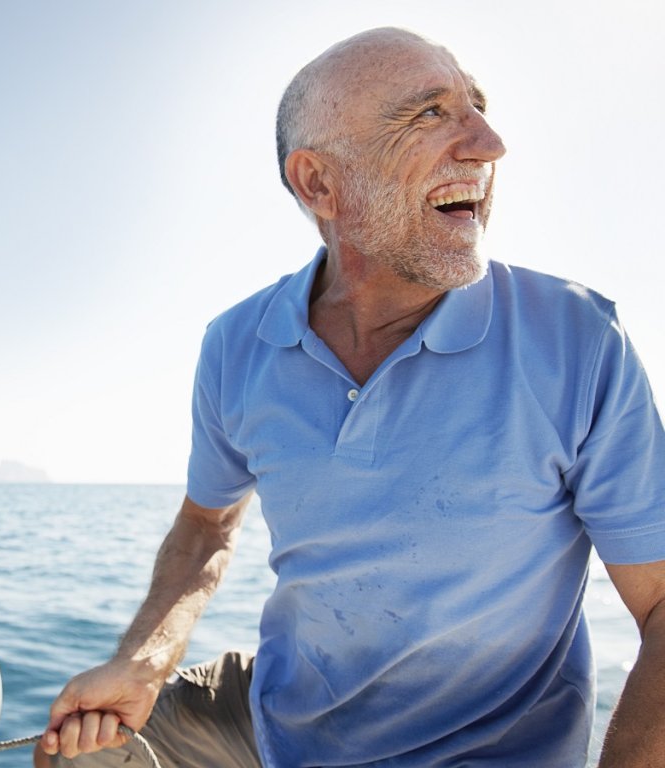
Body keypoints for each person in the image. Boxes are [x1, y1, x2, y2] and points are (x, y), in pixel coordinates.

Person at [35, 27, 665, 768]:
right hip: (275, 718)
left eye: (477, 106)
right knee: (72, 755)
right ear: (319, 184)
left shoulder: (577, 339)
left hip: (487, 752)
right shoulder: (238, 345)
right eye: (430, 114)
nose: (489, 144)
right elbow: (206, 527)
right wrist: (145, 658)